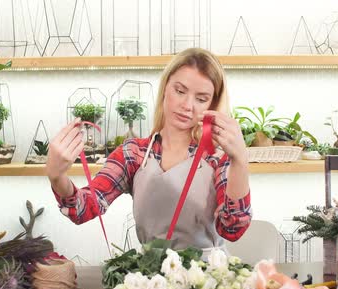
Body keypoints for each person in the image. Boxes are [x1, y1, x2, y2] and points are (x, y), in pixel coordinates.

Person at [46, 48, 251, 256]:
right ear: (165, 89)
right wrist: (57, 177)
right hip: (151, 279)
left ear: (212, 104)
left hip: (208, 281)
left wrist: (240, 161)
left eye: (201, 98)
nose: (187, 106)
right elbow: (84, 208)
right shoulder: (134, 153)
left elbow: (233, 228)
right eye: (180, 91)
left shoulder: (217, 157)